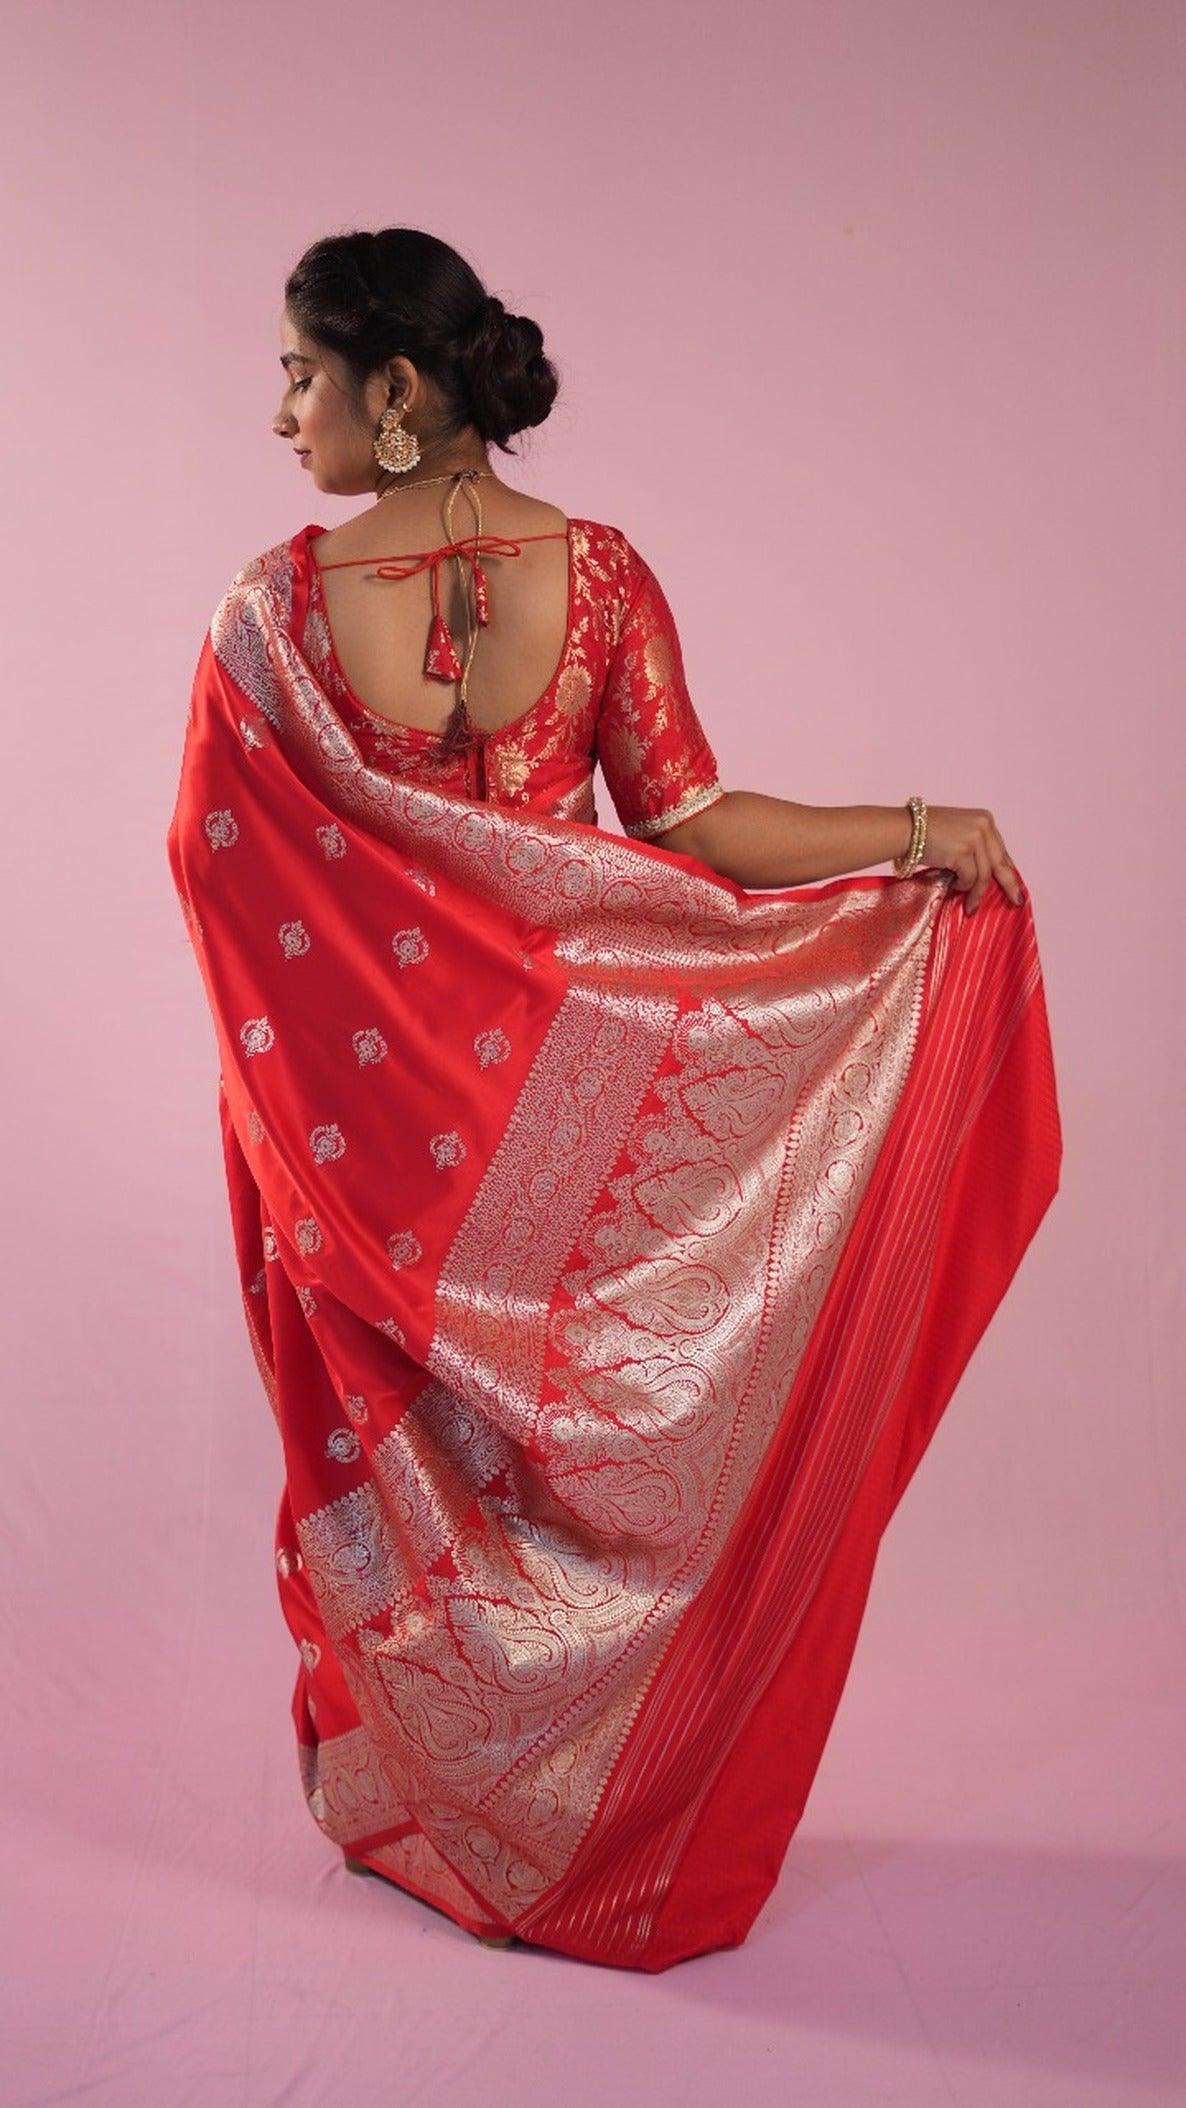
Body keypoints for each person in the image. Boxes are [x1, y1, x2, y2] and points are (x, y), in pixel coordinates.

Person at [165, 225, 1062, 1972]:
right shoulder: (596, 581)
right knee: (580, 1474)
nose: (279, 416)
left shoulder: (268, 623)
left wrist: (321, 1100)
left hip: (374, 1157)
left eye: (296, 373)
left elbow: (216, 873)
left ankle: (459, 1814)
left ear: (393, 387)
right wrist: (914, 831)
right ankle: (603, 1823)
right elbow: (694, 828)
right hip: (577, 1115)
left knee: (435, 1473)